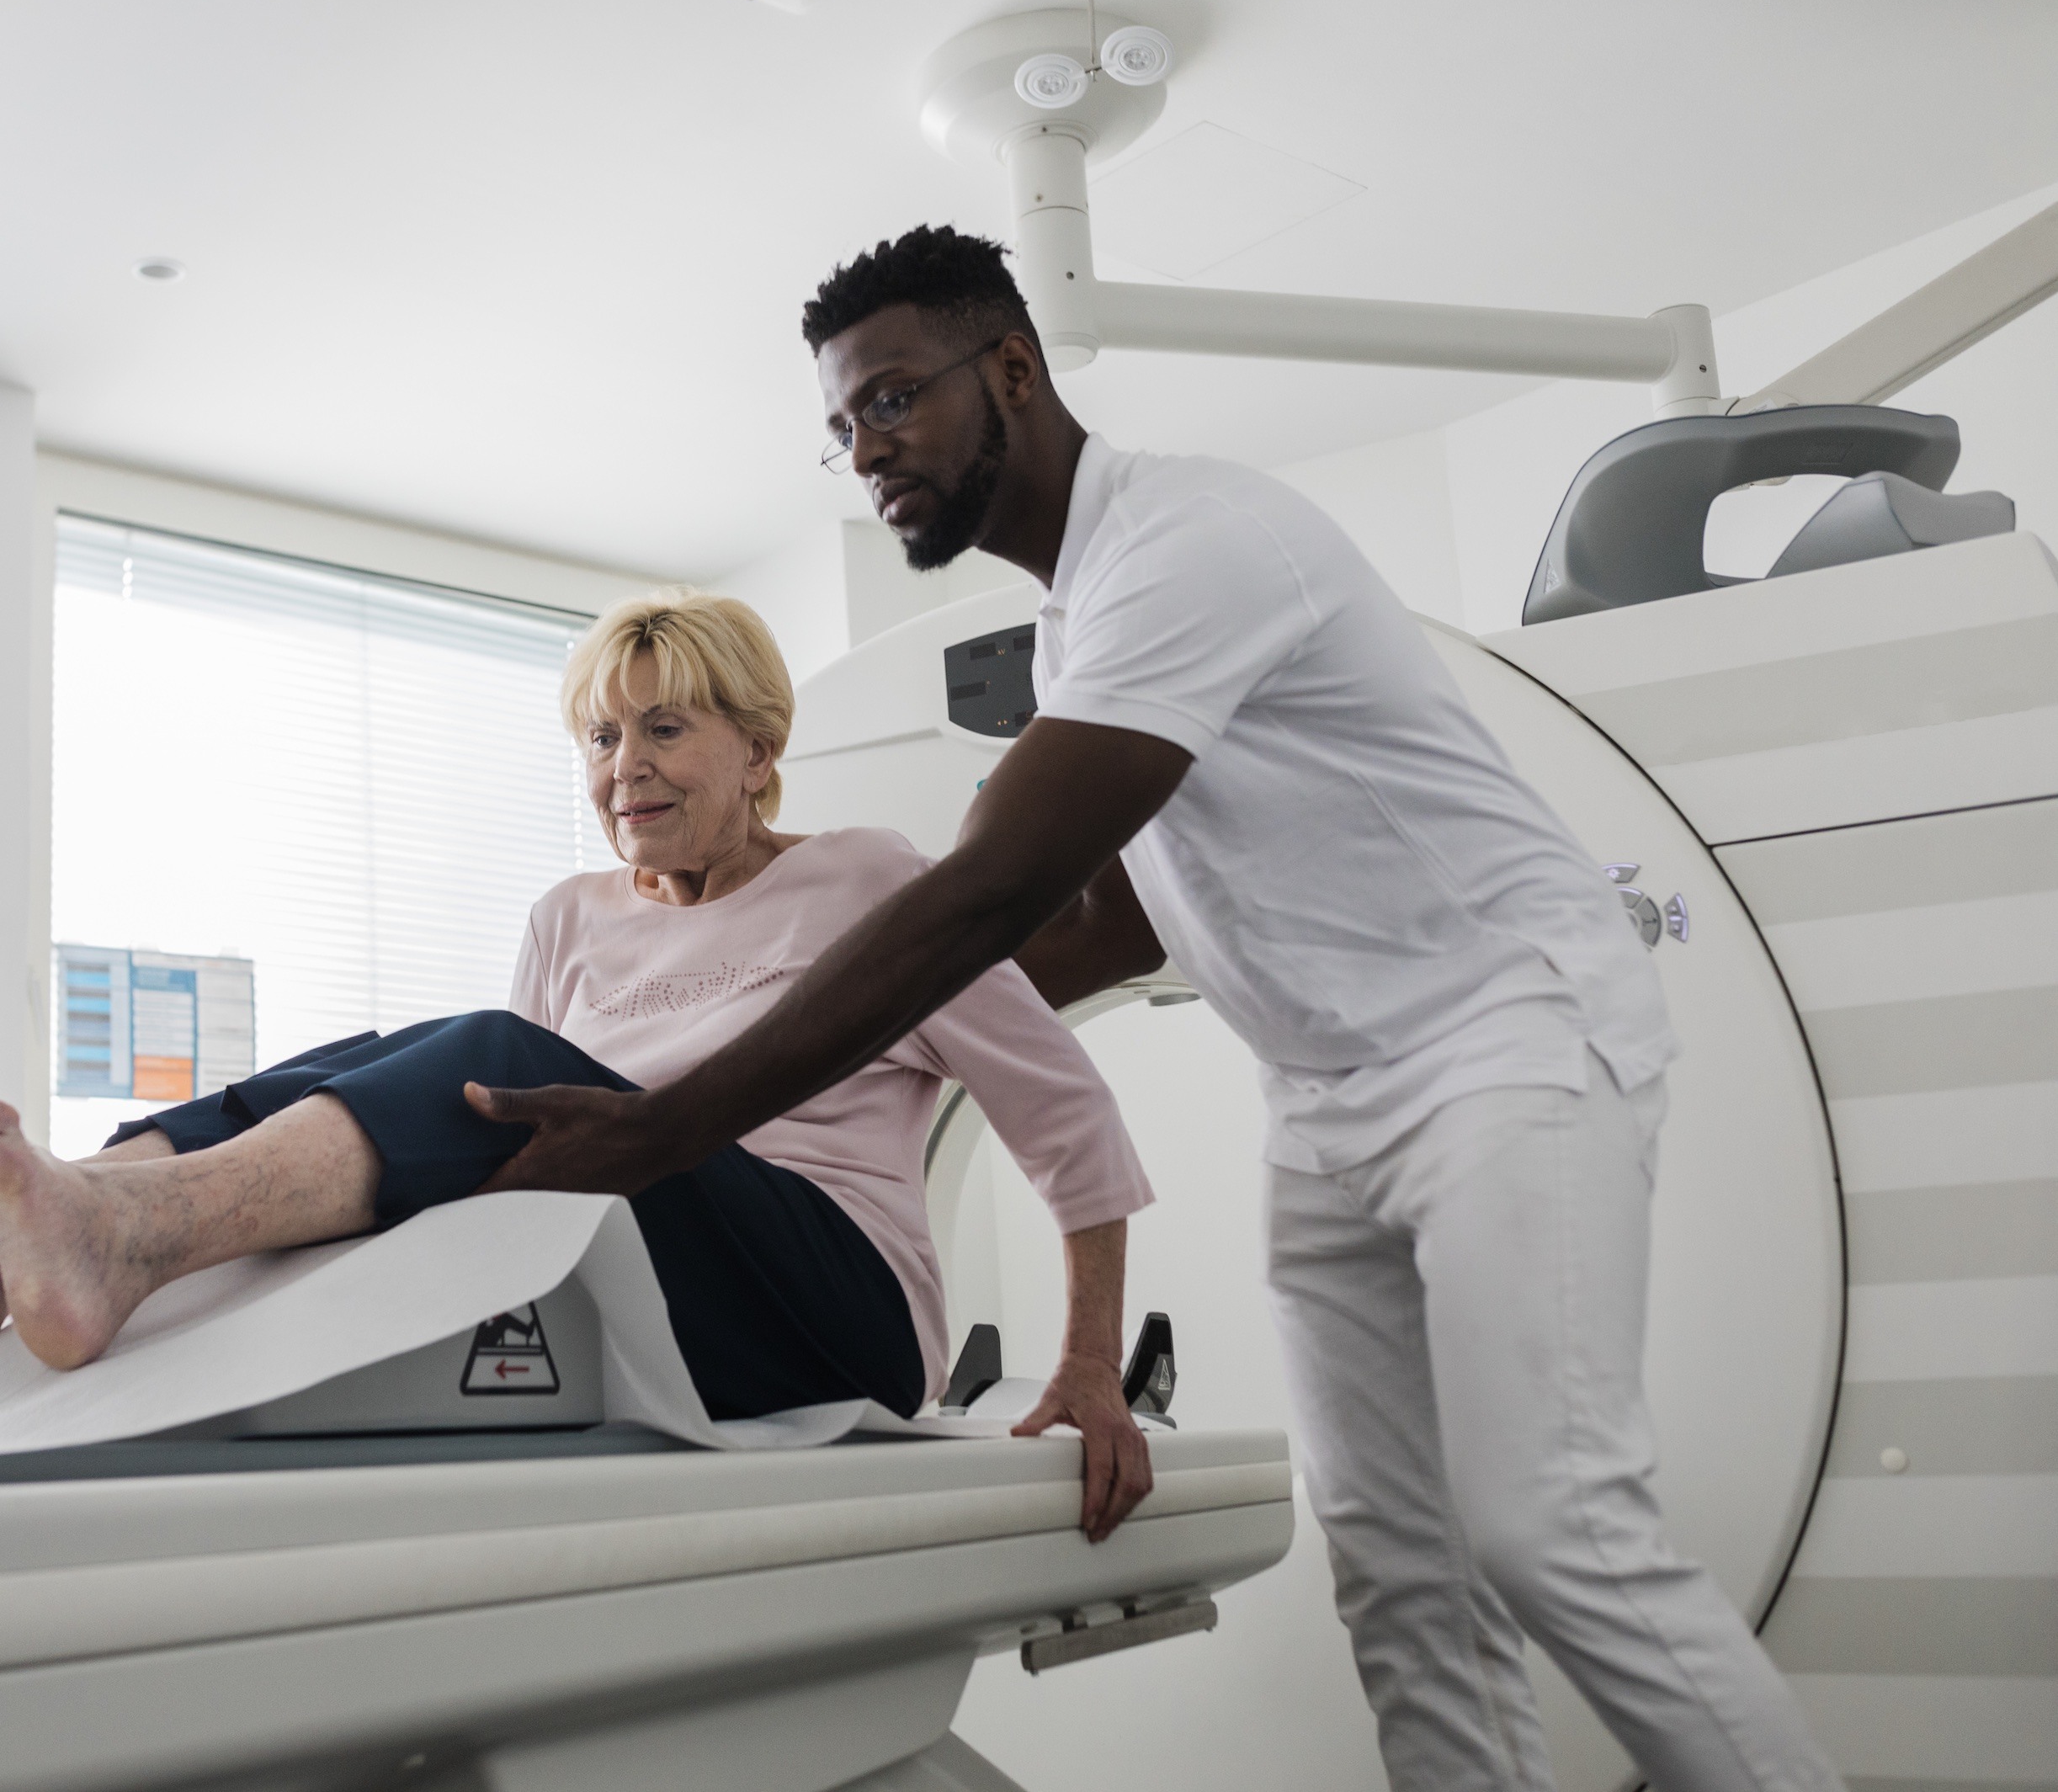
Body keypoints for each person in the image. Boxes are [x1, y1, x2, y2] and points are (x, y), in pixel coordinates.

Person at [465, 228, 1843, 1792]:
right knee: (1398, 1569)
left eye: (895, 398)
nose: (870, 451)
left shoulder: (1190, 542)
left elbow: (990, 895)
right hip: (1324, 1100)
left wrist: (671, 1121)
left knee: (1551, 1526)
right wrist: (861, 1018)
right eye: (843, 428)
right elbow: (1108, 922)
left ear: (1013, 370)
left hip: (1501, 1034)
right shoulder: (1072, 629)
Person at [0, 588, 1162, 1538]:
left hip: (831, 1303)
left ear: (758, 745)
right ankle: (14, 1230)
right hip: (630, 1279)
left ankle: (106, 1233)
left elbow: (1064, 1115)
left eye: (664, 726)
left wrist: (1087, 1365)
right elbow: (492, 1159)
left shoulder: (875, 882)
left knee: (483, 1054)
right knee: (376, 1054)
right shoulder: (569, 919)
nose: (624, 767)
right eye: (601, 737)